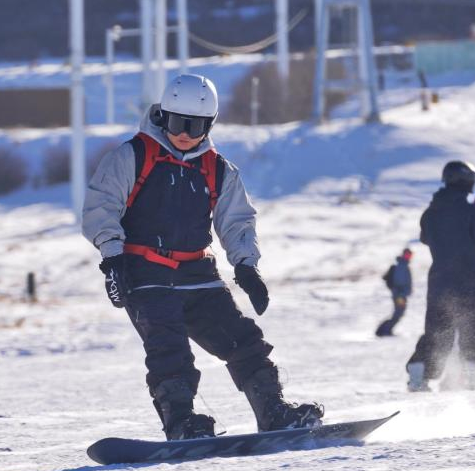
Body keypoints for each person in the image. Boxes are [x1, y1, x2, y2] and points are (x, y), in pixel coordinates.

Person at [83, 74, 323, 441]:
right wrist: (112, 260)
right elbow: (100, 208)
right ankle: (181, 423)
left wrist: (246, 266)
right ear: (164, 115)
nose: (185, 133)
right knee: (169, 349)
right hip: (146, 273)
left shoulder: (218, 168)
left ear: (210, 125)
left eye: (196, 126)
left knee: (243, 341)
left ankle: (273, 413)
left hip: (199, 272)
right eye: (179, 122)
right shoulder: (132, 156)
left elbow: (237, 220)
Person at [406, 160, 475, 392]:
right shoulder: (470, 210)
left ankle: (417, 375)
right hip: (468, 280)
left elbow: (425, 238)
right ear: (466, 182)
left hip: (439, 283)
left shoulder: (430, 213)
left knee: (438, 331)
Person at [375, 248, 413, 337]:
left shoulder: (404, 266)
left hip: (401, 295)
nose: (409, 257)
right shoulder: (401, 266)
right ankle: (384, 330)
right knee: (398, 313)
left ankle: (385, 330)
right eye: (407, 255)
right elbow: (399, 282)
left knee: (399, 313)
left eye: (410, 255)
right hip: (399, 296)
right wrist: (401, 293)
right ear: (403, 255)